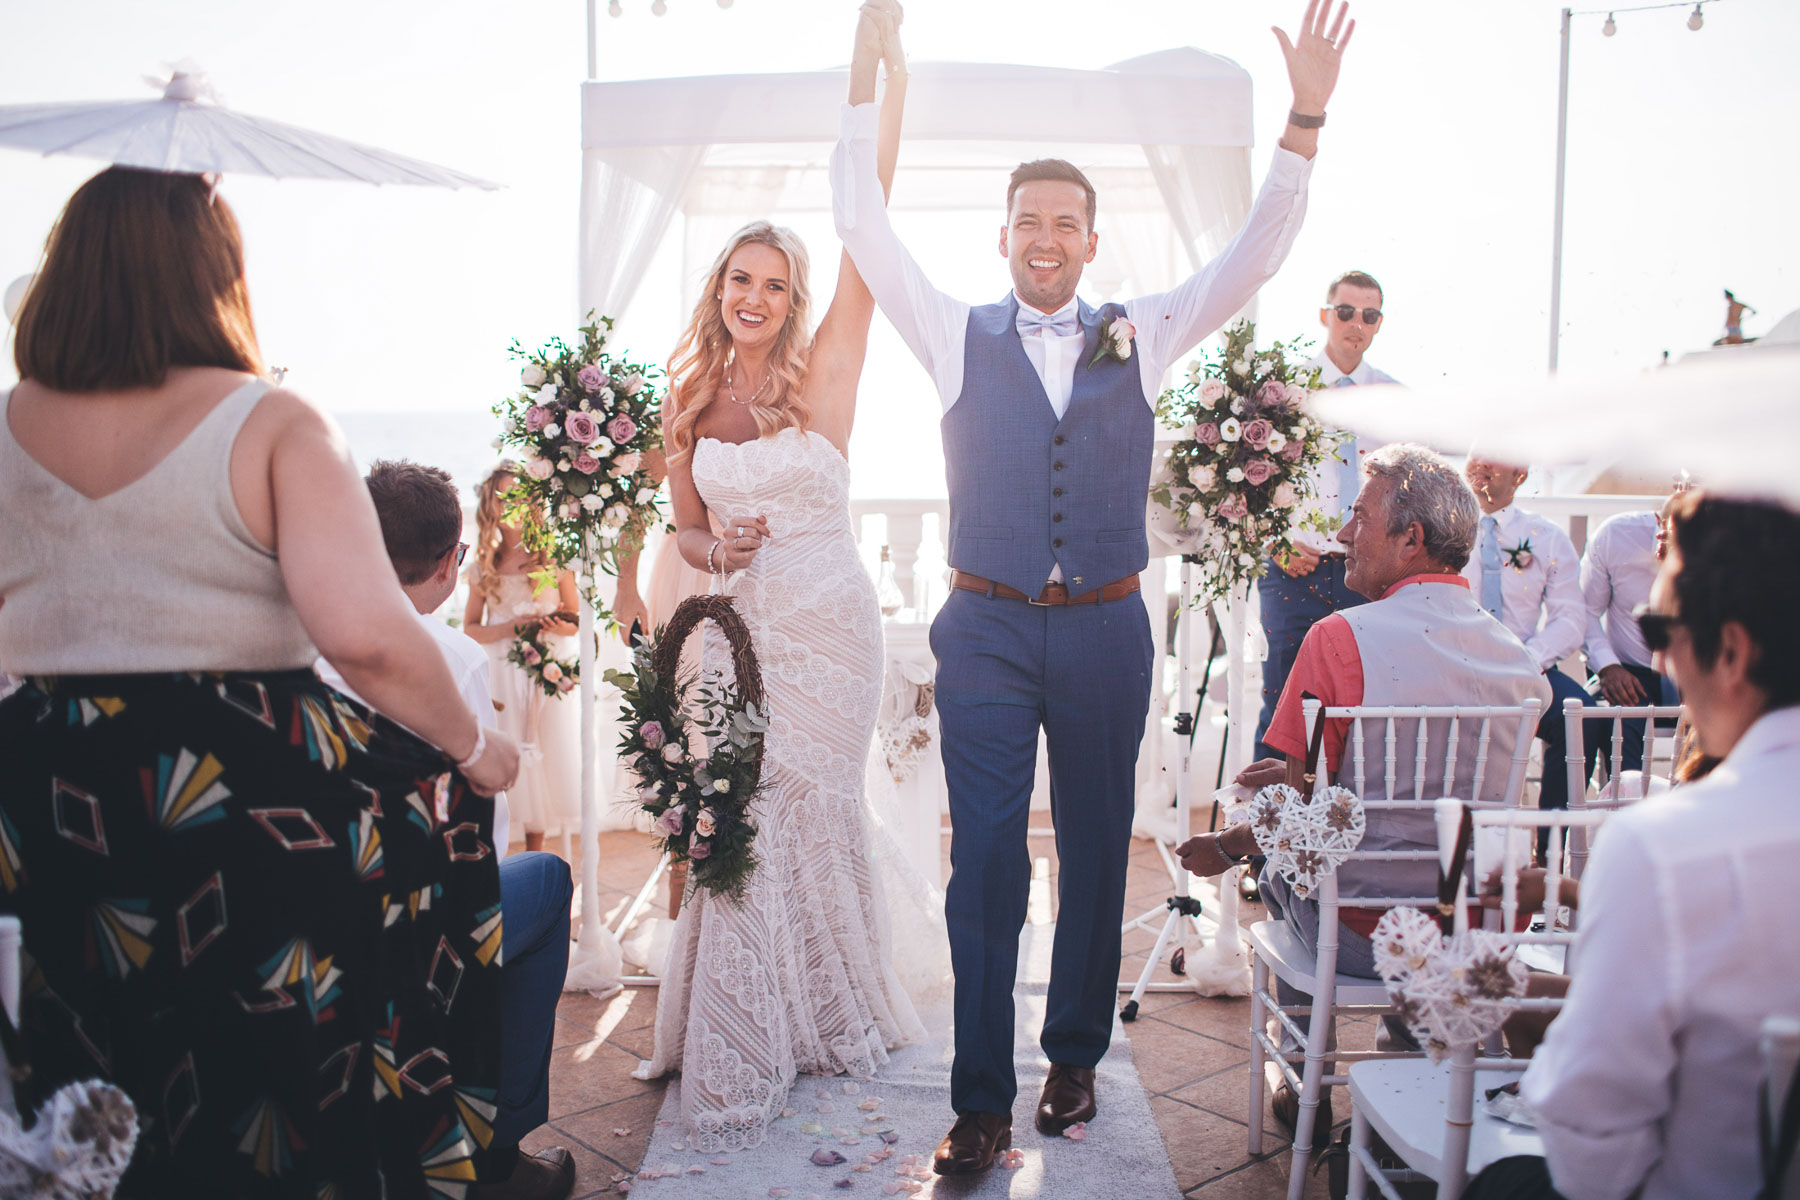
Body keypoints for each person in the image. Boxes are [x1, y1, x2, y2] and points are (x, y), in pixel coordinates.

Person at [834, 0, 1355, 1174]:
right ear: (1005, 233)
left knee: (1098, 841)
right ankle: (978, 1097)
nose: (1046, 236)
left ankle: (1070, 1059)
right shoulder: (954, 330)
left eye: (1066, 221)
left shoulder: (1149, 329)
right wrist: (867, 71)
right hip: (984, 627)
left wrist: (1306, 116)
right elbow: (860, 219)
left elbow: (1259, 251)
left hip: (1113, 628)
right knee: (987, 863)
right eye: (1029, 220)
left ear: (1090, 237)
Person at [0, 166, 518, 1196]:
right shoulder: (271, 421)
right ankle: (447, 1157)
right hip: (242, 798)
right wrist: (476, 746)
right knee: (282, 1061)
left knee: (89, 1071)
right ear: (214, 276)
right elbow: (367, 637)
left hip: (43, 791)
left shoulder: (9, 424)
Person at [633, 8, 926, 1154]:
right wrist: (720, 555)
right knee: (743, 813)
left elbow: (870, 219)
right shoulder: (685, 405)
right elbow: (687, 537)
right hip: (743, 629)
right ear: (718, 290)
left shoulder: (829, 373)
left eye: (772, 282)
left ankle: (824, 1011)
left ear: (792, 296)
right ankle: (749, 1022)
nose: (753, 296)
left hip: (832, 629)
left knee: (813, 809)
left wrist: (876, 68)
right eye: (738, 279)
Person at [1178, 445, 1550, 1140]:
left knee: (1283, 860)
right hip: (1471, 929)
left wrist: (1229, 846)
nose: (1344, 535)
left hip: (1357, 937)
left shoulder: (1338, 636)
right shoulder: (1520, 660)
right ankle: (1412, 1044)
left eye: (1359, 517)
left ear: (1411, 539)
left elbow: (1296, 818)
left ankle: (1301, 1073)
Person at [1464, 492, 1800, 1200]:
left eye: (1659, 625)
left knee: (1499, 1180)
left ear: (1731, 651)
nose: (1653, 652)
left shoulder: (1664, 847)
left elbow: (1592, 1151)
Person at [316, 459, 575, 1199]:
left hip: (321, 899)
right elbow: (475, 850)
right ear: (447, 564)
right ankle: (498, 1149)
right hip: (419, 919)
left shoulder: (303, 644)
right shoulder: (452, 659)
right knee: (547, 881)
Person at [1254, 269, 1399, 757]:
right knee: (1282, 702)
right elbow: (1248, 476)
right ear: (1325, 315)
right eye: (1345, 312)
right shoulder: (1283, 391)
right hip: (1293, 569)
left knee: (1363, 703)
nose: (1355, 323)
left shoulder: (1394, 399)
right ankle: (1265, 829)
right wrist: (1275, 544)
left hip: (1367, 574)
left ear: (1379, 324)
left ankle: (1344, 826)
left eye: (1369, 314)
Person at [1461, 455, 1588, 852]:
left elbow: (1570, 619)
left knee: (1580, 717)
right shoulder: (1444, 527)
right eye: (1474, 456)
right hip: (1458, 663)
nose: (1479, 466)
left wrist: (1525, 661)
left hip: (1525, 665)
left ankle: (1551, 854)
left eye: (1493, 459)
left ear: (1520, 476)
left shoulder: (1545, 536)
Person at [464, 463, 582, 853]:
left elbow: (574, 621)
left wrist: (550, 625)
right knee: (508, 752)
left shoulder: (553, 557)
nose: (509, 504)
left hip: (544, 675)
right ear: (490, 507)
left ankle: (537, 854)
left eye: (517, 494)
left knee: (544, 760)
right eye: (501, 497)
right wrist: (511, 628)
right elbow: (470, 628)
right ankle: (497, 854)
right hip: (501, 675)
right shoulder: (485, 565)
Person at [1580, 499, 1681, 778]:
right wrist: (1608, 667)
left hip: (1697, 674)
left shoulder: (1731, 552)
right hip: (1628, 671)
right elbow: (1584, 612)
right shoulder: (1616, 535)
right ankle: (1622, 810)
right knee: (1618, 730)